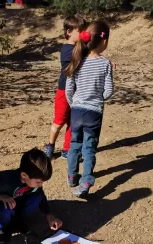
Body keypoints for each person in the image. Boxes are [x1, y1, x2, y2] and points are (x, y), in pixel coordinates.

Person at [65, 20, 114, 197]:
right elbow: (108, 91)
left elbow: (69, 88)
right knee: (89, 147)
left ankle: (71, 176)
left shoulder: (77, 60)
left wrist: (73, 103)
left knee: (74, 144)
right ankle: (86, 181)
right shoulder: (105, 64)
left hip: (76, 110)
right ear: (104, 41)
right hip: (94, 112)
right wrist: (98, 100)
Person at [0, 148, 63, 244]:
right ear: (24, 175)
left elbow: (41, 196)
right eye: (38, 182)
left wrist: (49, 216)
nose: (41, 184)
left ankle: (18, 218)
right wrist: (0, 196)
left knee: (37, 198)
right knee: (4, 211)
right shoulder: (3, 180)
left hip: (17, 201)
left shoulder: (32, 182)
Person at [44, 16, 86, 160]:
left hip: (76, 90)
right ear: (69, 32)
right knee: (59, 121)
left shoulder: (80, 47)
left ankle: (67, 149)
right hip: (64, 90)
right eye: (79, 31)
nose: (82, 34)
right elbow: (70, 69)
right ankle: (50, 145)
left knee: (73, 121)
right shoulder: (67, 49)